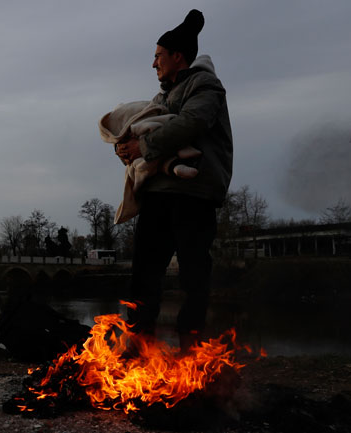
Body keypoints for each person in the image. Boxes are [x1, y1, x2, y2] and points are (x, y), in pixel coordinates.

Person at [114, 9, 233, 350]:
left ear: (177, 56)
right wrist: (126, 149)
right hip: (158, 193)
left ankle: (192, 352)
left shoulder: (205, 85)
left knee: (194, 274)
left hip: (193, 194)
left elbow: (192, 122)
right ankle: (138, 347)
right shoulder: (161, 98)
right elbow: (137, 130)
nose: (154, 64)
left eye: (158, 57)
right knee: (144, 274)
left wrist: (145, 145)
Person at [99, 99, 203, 223]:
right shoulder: (162, 95)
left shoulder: (202, 83)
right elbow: (129, 156)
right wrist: (122, 149)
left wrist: (141, 146)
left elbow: (191, 122)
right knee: (144, 165)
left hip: (188, 191)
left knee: (143, 166)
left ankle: (179, 159)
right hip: (156, 189)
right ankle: (176, 164)